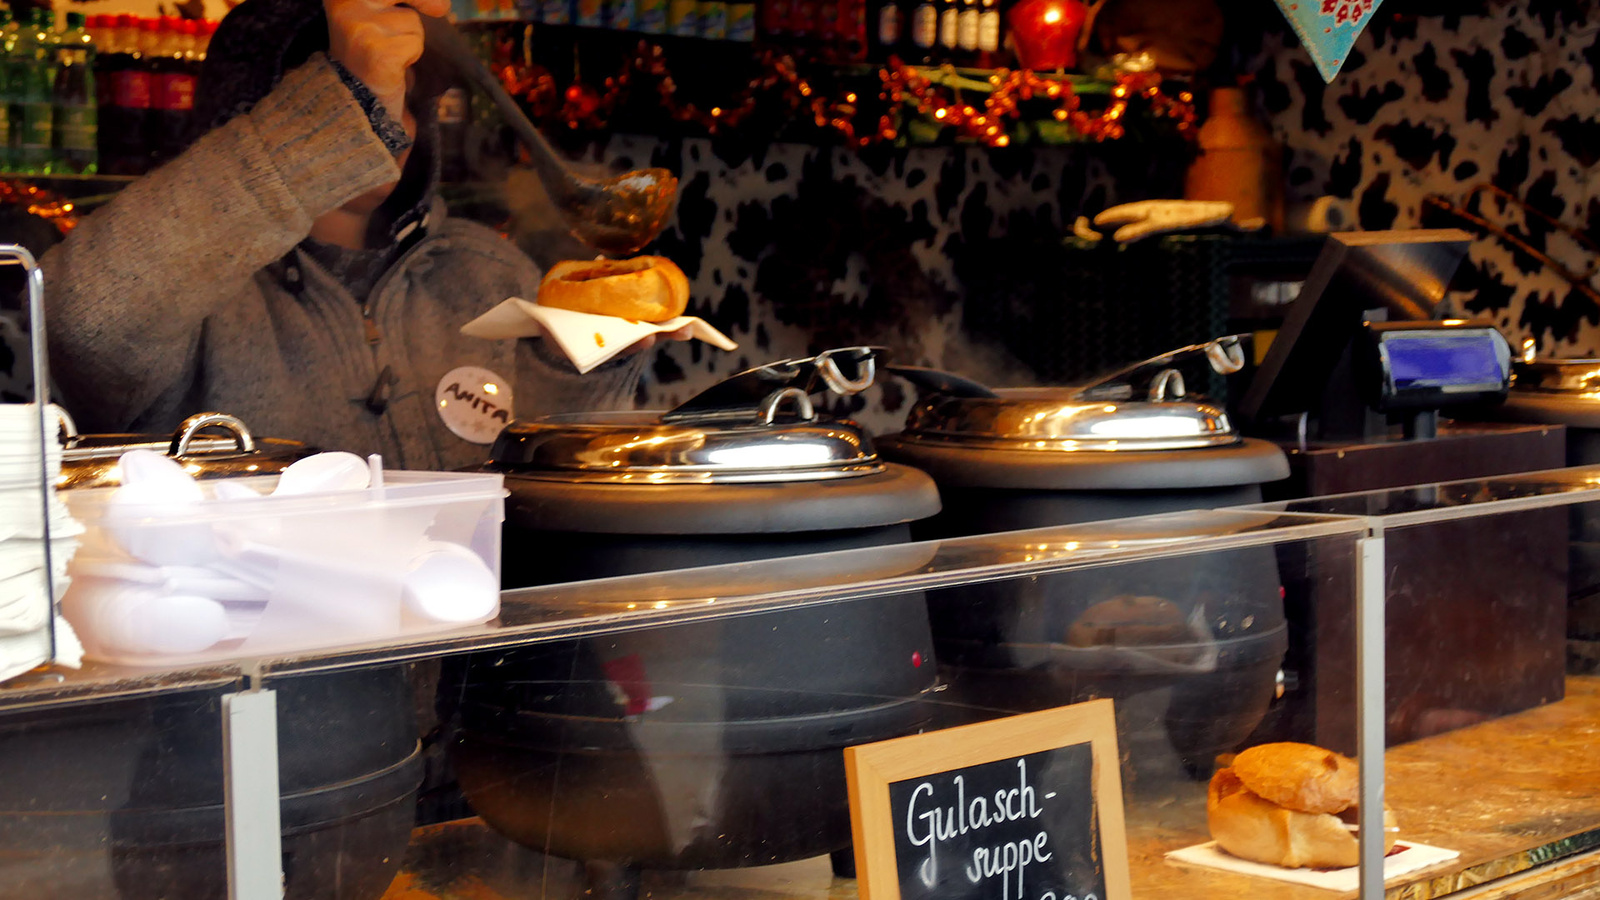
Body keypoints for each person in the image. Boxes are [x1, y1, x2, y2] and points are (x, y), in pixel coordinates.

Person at [42, 0, 677, 470]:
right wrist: (344, 104)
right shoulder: (195, 303)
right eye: (355, 96)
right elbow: (85, 318)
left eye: (401, 97)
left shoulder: (489, 273)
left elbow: (552, 473)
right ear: (253, 112)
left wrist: (586, 364)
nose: (388, 123)